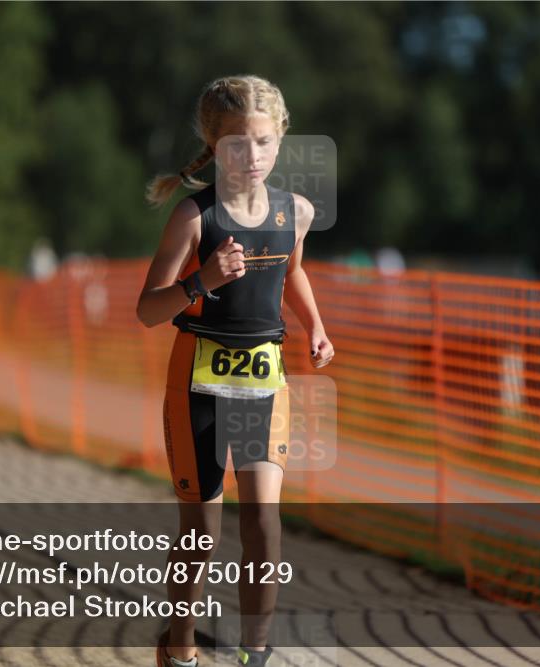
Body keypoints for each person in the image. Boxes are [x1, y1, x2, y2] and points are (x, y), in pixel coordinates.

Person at [137, 75, 334, 667]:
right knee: (202, 535)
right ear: (214, 145)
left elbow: (291, 272)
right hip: (197, 386)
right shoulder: (194, 217)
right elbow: (148, 310)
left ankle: (256, 654)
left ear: (280, 141)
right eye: (238, 144)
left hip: (261, 386)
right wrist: (202, 281)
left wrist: (315, 327)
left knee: (263, 526)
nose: (253, 156)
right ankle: (179, 649)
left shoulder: (296, 212)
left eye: (264, 142)